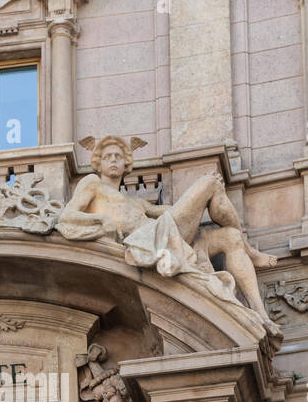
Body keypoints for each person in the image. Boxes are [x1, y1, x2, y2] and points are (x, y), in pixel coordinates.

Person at [56, 135, 277, 326]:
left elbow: (167, 211)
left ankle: (261, 314)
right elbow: (67, 215)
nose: (113, 160)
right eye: (107, 157)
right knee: (209, 183)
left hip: (162, 234)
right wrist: (101, 219)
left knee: (232, 237)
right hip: (150, 240)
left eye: (118, 157)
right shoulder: (92, 183)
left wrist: (195, 204)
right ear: (98, 163)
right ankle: (253, 253)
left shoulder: (136, 202)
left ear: (126, 164)